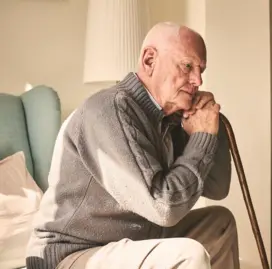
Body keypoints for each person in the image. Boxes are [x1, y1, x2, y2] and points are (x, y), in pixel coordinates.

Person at [26, 22, 239, 269]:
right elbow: (165, 208)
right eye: (187, 66)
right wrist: (202, 136)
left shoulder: (168, 118)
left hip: (131, 242)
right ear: (149, 60)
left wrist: (210, 127)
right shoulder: (110, 110)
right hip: (73, 254)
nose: (198, 80)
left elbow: (217, 186)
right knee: (187, 254)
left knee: (220, 223)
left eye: (201, 69)